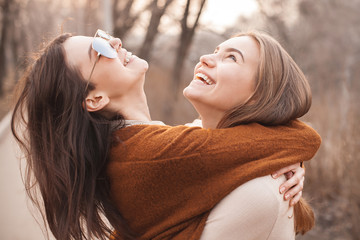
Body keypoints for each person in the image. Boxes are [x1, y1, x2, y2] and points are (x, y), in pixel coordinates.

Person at [10, 30, 320, 240]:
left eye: (102, 37)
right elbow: (303, 139)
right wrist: (289, 151)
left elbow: (208, 139)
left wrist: (278, 160)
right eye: (99, 49)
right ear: (94, 99)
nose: (114, 41)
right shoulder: (161, 156)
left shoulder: (142, 146)